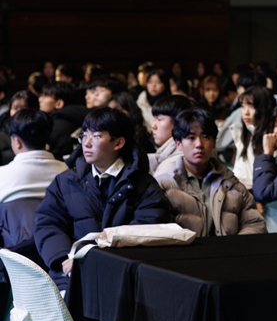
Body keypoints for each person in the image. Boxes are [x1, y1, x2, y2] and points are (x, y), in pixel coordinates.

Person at [33, 107, 170, 288]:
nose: (87, 143)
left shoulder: (143, 185)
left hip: (122, 277)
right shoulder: (66, 181)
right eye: (84, 136)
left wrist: (93, 257)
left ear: (118, 143)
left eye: (96, 136)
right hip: (70, 273)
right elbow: (48, 223)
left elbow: (146, 229)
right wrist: (63, 258)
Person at [155, 109, 266, 237]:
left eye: (206, 137)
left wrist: (233, 249)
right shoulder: (164, 185)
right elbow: (160, 232)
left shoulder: (232, 184)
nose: (199, 144)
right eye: (191, 138)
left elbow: (255, 225)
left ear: (213, 143)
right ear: (178, 144)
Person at [0, 110, 68, 249]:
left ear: (17, 142)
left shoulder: (3, 175)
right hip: (59, 254)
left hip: (12, 261)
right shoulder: (66, 172)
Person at [229, 87, 275, 189]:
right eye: (243, 106)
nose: (246, 112)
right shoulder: (243, 132)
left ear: (263, 108)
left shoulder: (272, 138)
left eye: (251, 106)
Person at [39, 82, 88, 160]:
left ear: (59, 103)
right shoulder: (86, 118)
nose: (40, 99)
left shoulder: (54, 126)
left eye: (46, 96)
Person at [149, 95, 196, 175]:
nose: (153, 125)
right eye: (154, 119)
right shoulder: (166, 154)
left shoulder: (177, 162)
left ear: (179, 122)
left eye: (159, 119)